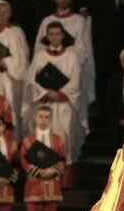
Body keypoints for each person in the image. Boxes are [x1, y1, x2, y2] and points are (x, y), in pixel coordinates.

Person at [34, 0, 95, 134]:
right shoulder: (47, 21)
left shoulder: (79, 21)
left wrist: (63, 56)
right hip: (49, 74)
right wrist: (50, 57)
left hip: (70, 73)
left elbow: (83, 48)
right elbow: (39, 47)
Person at [24, 21, 81, 170]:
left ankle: (63, 174)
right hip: (44, 104)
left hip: (63, 104)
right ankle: (41, 171)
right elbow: (31, 80)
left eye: (58, 34)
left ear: (63, 35)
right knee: (42, 137)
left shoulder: (72, 56)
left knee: (64, 136)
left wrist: (60, 93)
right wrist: (46, 93)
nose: (55, 37)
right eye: (51, 34)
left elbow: (75, 81)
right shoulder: (40, 56)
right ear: (47, 36)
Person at [20, 106, 66, 211]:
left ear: (50, 119)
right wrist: (38, 171)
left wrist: (52, 170)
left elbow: (62, 160)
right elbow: (23, 161)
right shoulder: (27, 141)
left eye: (47, 117)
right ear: (35, 118)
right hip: (34, 186)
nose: (43, 120)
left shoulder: (58, 140)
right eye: (41, 116)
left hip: (52, 186)